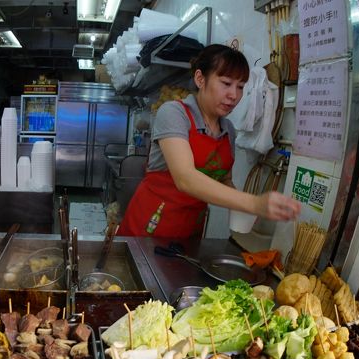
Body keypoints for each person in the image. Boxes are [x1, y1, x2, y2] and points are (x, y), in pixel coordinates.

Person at [118, 44, 301, 238]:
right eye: (226, 83)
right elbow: (185, 178)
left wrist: (243, 208)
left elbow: (224, 180)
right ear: (200, 79)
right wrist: (254, 203)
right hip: (147, 230)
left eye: (240, 87)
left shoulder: (228, 130)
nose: (234, 95)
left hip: (189, 233)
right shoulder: (173, 113)